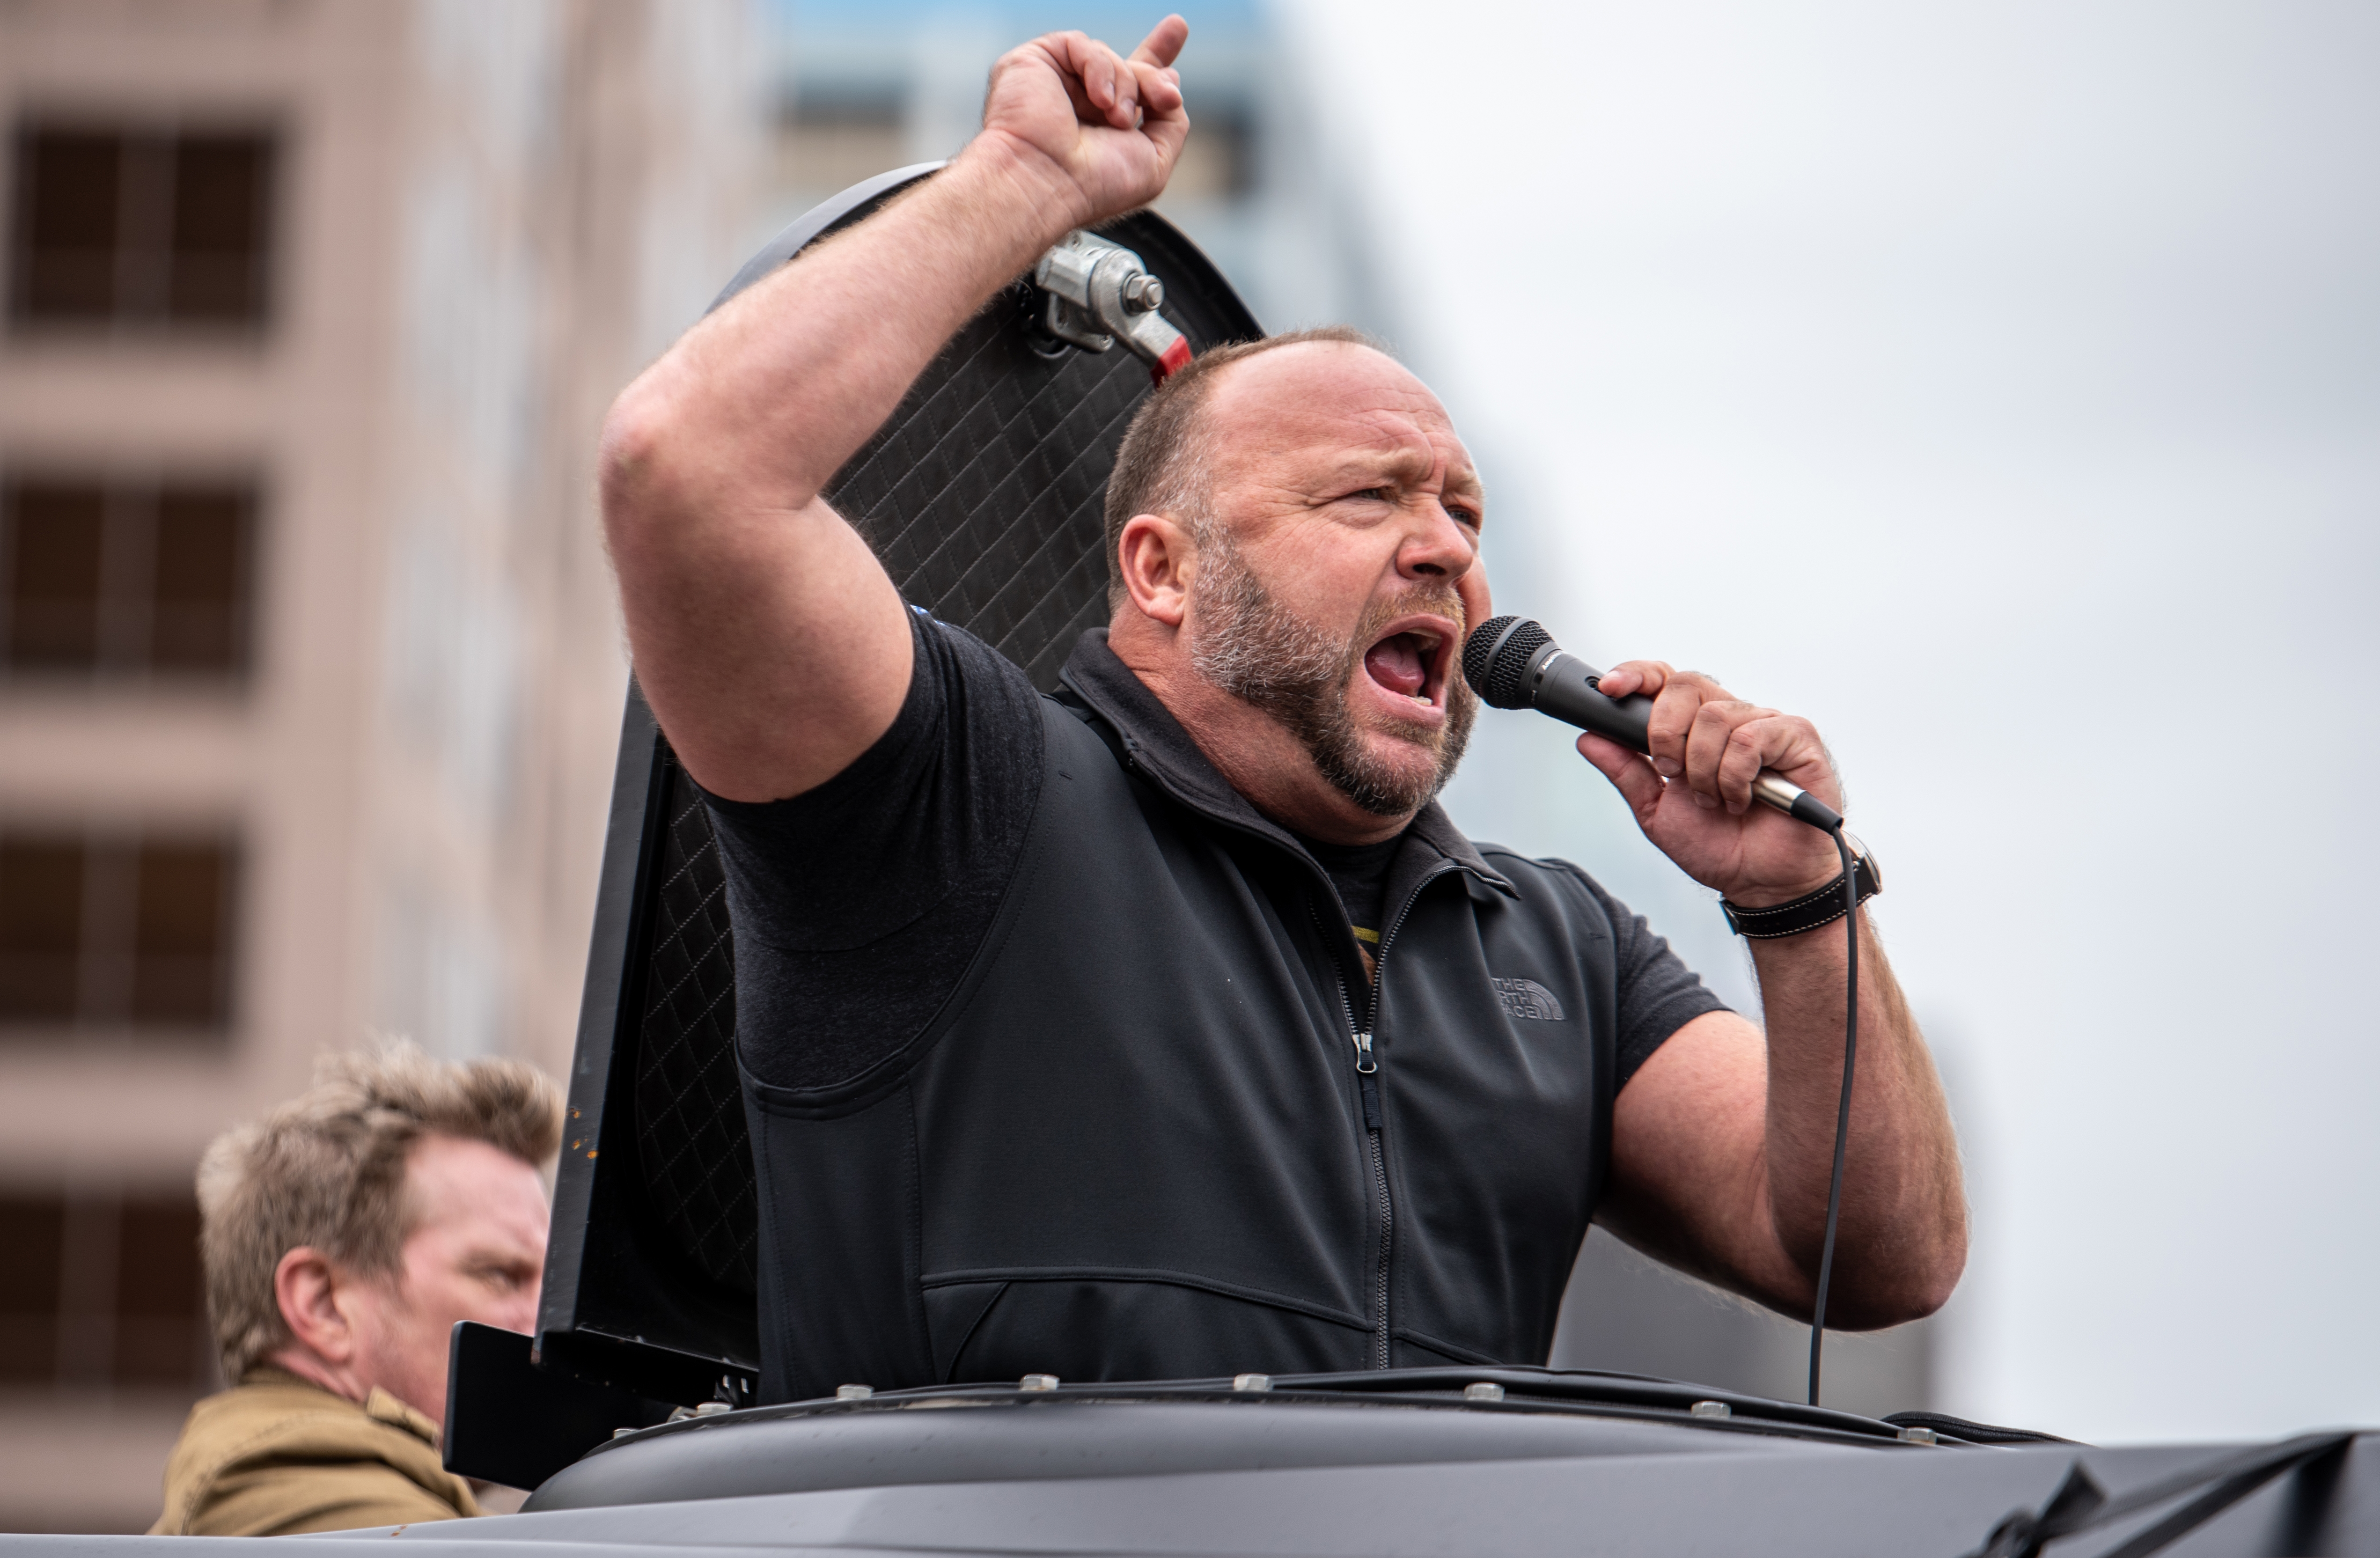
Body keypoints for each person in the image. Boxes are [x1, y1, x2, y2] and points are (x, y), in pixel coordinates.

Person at [598, 16, 1967, 1399]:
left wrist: (1804, 905)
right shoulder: (959, 796)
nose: (1443, 546)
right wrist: (1019, 180)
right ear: (1165, 572)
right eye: (1367, 496)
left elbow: (1879, 1263)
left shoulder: (1562, 955)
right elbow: (684, 473)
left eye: (1462, 510)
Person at [152, 1043, 558, 1536]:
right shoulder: (285, 1472)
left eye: (552, 1282)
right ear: (323, 1305)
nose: (551, 1322)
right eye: (500, 1274)